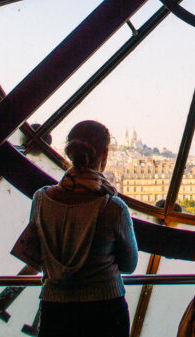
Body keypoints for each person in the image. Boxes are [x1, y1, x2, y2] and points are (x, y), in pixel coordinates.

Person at [32, 120, 138, 337]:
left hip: (55, 307)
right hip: (105, 309)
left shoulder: (41, 199)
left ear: (69, 152)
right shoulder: (113, 208)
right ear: (104, 155)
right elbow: (129, 264)